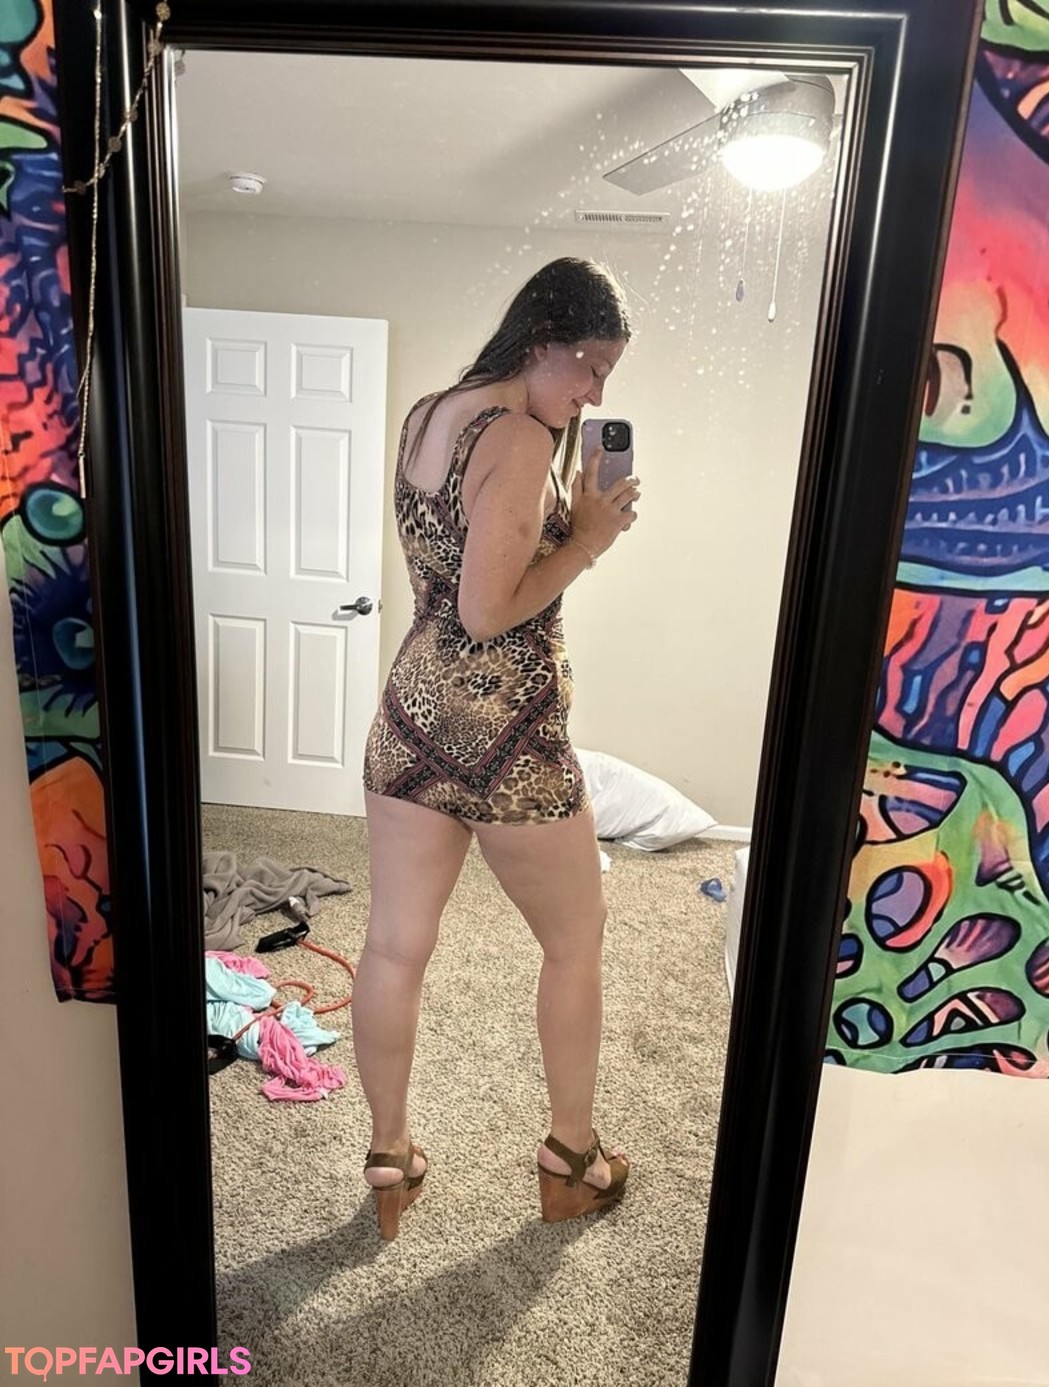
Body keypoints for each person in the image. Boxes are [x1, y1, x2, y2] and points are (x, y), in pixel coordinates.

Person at [352, 257, 640, 1240]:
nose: (594, 392)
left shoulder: (430, 414)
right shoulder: (516, 437)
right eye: (590, 365)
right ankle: (572, 1157)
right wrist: (587, 540)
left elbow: (449, 583)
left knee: (394, 944)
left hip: (411, 718)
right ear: (543, 337)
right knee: (575, 937)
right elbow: (486, 613)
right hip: (508, 738)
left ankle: (390, 1155)